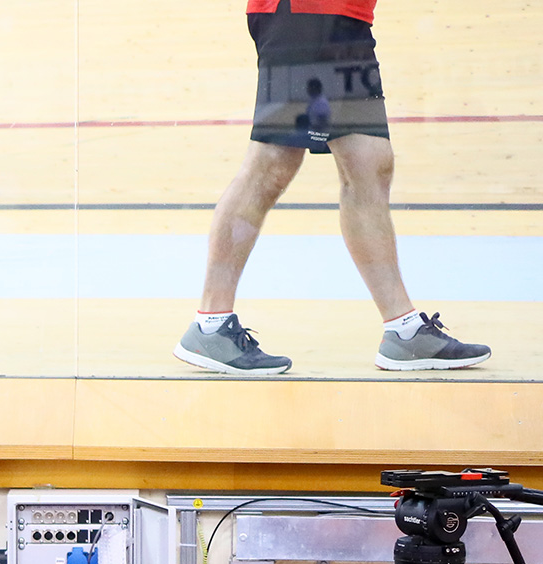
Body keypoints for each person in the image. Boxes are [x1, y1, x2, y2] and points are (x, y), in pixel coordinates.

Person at [175, 0, 490, 375]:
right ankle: (211, 323)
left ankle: (404, 333)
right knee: (272, 162)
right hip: (306, 16)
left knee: (369, 162)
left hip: (347, 21)